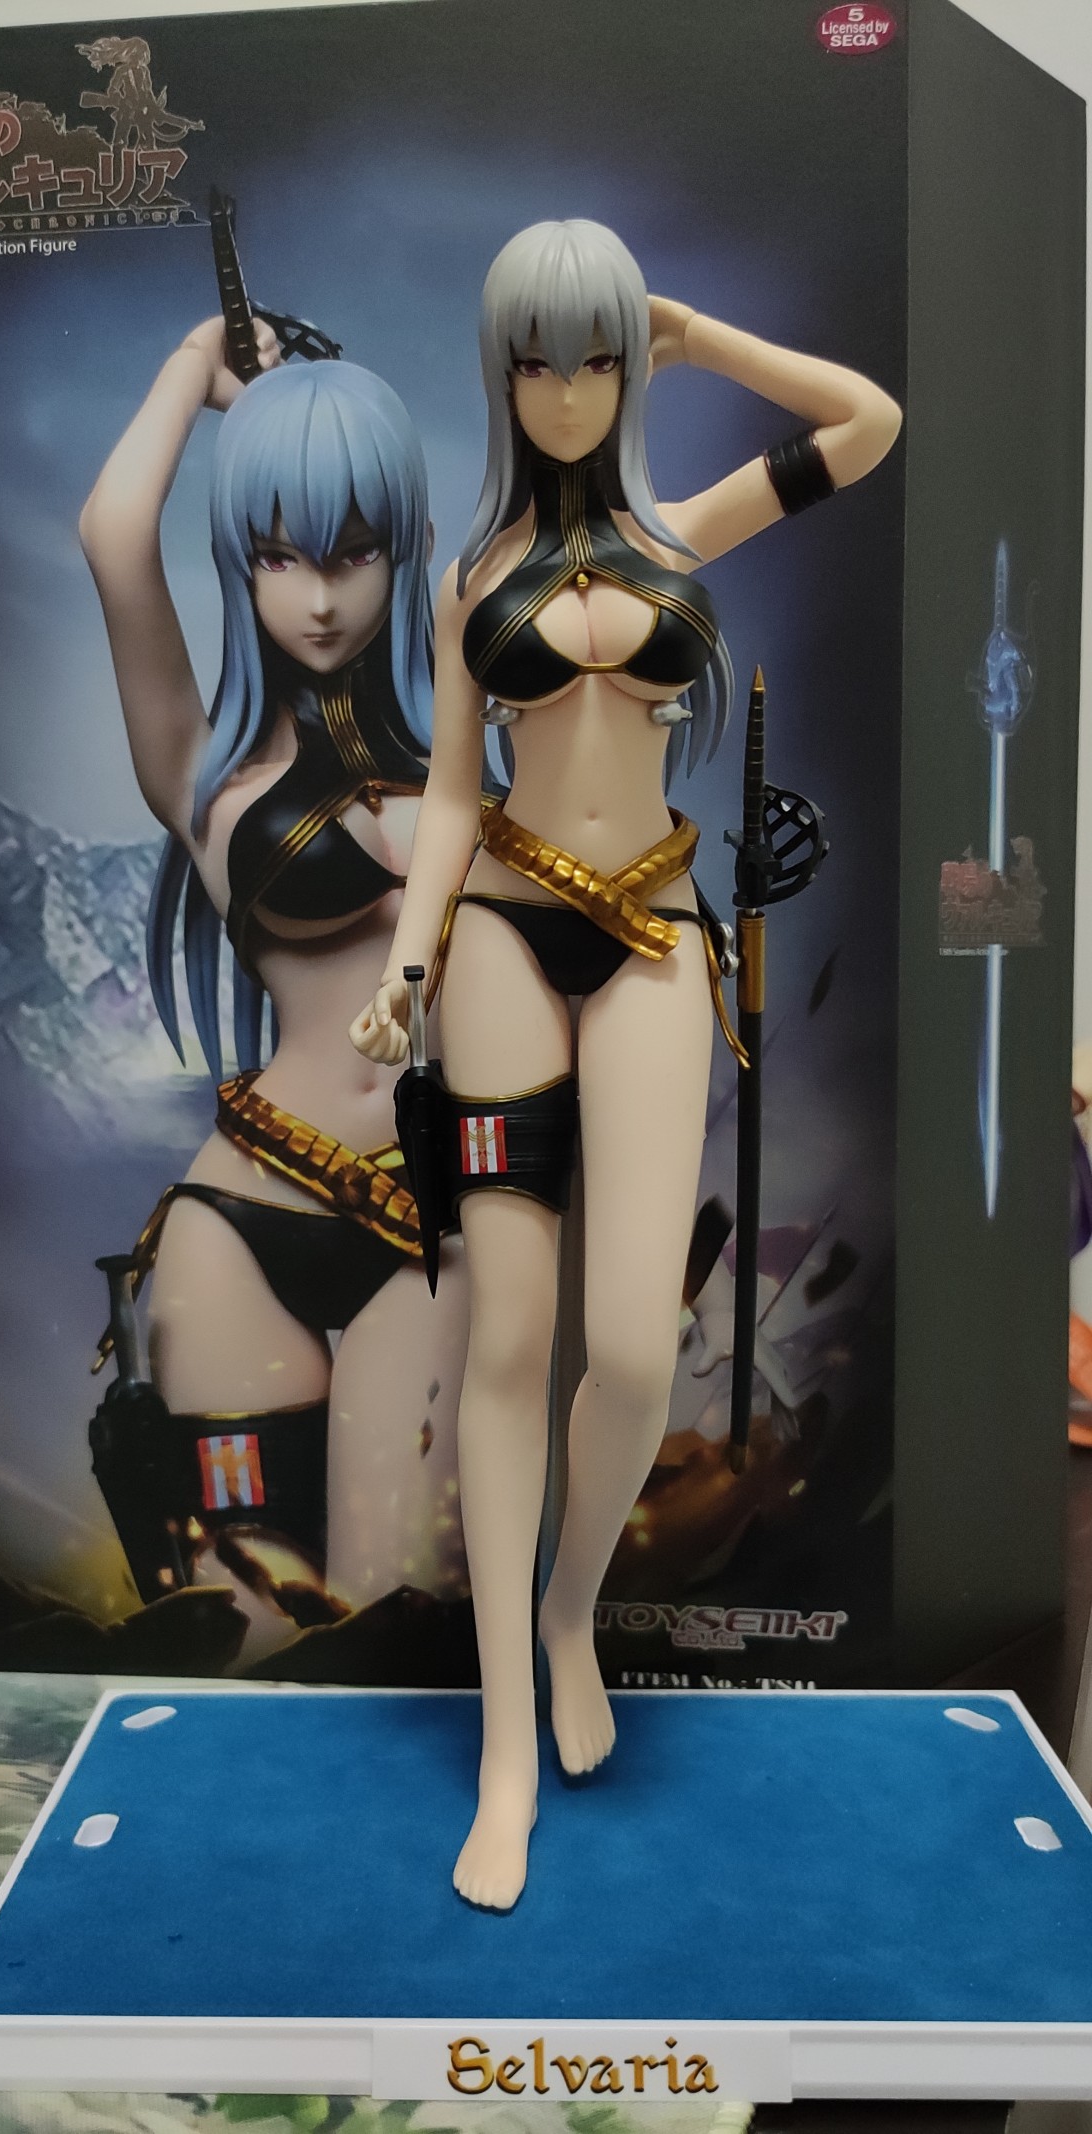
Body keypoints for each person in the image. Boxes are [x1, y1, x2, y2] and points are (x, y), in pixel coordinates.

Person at [351, 219, 900, 1906]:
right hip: (507, 940)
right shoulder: (470, 581)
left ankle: (573, 1610)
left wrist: (702, 333)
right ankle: (506, 1743)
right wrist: (408, 963)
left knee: (635, 1356)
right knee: (510, 1339)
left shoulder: (682, 531)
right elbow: (453, 792)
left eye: (600, 356)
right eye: (543, 360)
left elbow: (868, 422)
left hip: (658, 934)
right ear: (502, 373)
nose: (574, 391)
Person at [81, 320, 468, 1623]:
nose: (319, 597)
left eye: (354, 551)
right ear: (237, 562)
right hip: (237, 1221)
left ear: (406, 546)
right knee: (251, 1626)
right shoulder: (205, 777)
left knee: (389, 1615)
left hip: (433, 1230)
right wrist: (199, 363)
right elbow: (112, 535)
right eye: (277, 554)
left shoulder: (482, 753)